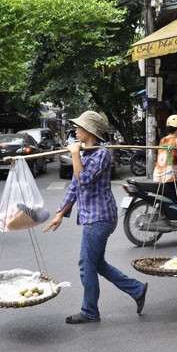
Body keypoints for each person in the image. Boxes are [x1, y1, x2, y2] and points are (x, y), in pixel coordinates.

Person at [43, 110, 148, 324]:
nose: (76, 131)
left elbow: (84, 180)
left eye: (79, 128)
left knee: (85, 264)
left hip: (99, 218)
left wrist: (74, 154)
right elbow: (74, 187)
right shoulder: (86, 154)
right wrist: (59, 214)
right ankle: (137, 289)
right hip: (94, 217)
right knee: (97, 264)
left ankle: (90, 311)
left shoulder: (101, 154)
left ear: (89, 131)